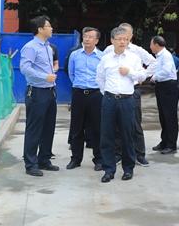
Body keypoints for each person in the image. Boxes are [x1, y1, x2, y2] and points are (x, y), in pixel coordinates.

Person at [96, 27, 146, 183]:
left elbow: (142, 76)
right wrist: (107, 93)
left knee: (127, 135)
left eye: (125, 39)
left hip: (127, 100)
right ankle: (108, 169)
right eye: (119, 39)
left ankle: (128, 168)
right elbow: (100, 78)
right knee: (107, 135)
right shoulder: (106, 58)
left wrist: (129, 72)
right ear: (112, 41)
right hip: (109, 99)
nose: (123, 42)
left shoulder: (133, 58)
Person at [102, 23, 155, 165]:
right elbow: (101, 74)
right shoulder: (109, 50)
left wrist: (140, 77)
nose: (122, 38)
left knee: (134, 123)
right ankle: (118, 154)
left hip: (132, 91)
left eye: (126, 34)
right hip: (112, 93)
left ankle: (139, 154)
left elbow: (153, 63)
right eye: (119, 34)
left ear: (131, 36)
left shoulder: (137, 51)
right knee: (115, 125)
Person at [16, 16, 58, 177]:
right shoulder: (30, 47)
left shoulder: (48, 47)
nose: (51, 28)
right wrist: (44, 76)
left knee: (48, 127)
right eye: (49, 26)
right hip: (37, 92)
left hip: (50, 91)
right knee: (34, 129)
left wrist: (50, 77)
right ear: (40, 29)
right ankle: (30, 164)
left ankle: (44, 160)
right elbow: (24, 68)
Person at [66, 27, 103, 171]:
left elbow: (103, 76)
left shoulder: (101, 57)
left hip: (96, 94)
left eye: (90, 37)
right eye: (85, 36)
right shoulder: (74, 55)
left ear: (97, 40)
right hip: (79, 93)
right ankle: (76, 159)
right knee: (76, 127)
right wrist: (79, 86)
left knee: (96, 128)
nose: (87, 39)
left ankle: (99, 159)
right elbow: (71, 74)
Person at [149, 36, 179, 154]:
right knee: (163, 116)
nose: (150, 47)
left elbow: (166, 71)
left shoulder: (166, 55)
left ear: (156, 45)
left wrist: (154, 77)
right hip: (161, 86)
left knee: (170, 116)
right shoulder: (159, 56)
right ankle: (164, 141)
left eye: (151, 44)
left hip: (169, 87)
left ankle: (171, 144)